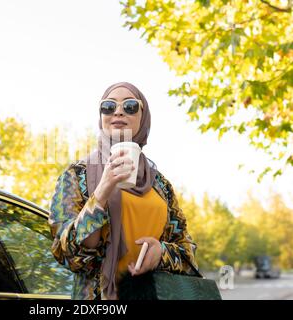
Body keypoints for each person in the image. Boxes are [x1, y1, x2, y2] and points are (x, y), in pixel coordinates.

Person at [49, 82, 198, 300]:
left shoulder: (161, 185)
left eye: (130, 106)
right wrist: (102, 190)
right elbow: (66, 252)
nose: (118, 111)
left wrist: (161, 253)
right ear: (101, 117)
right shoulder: (75, 175)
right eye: (108, 106)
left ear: (143, 118)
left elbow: (188, 253)